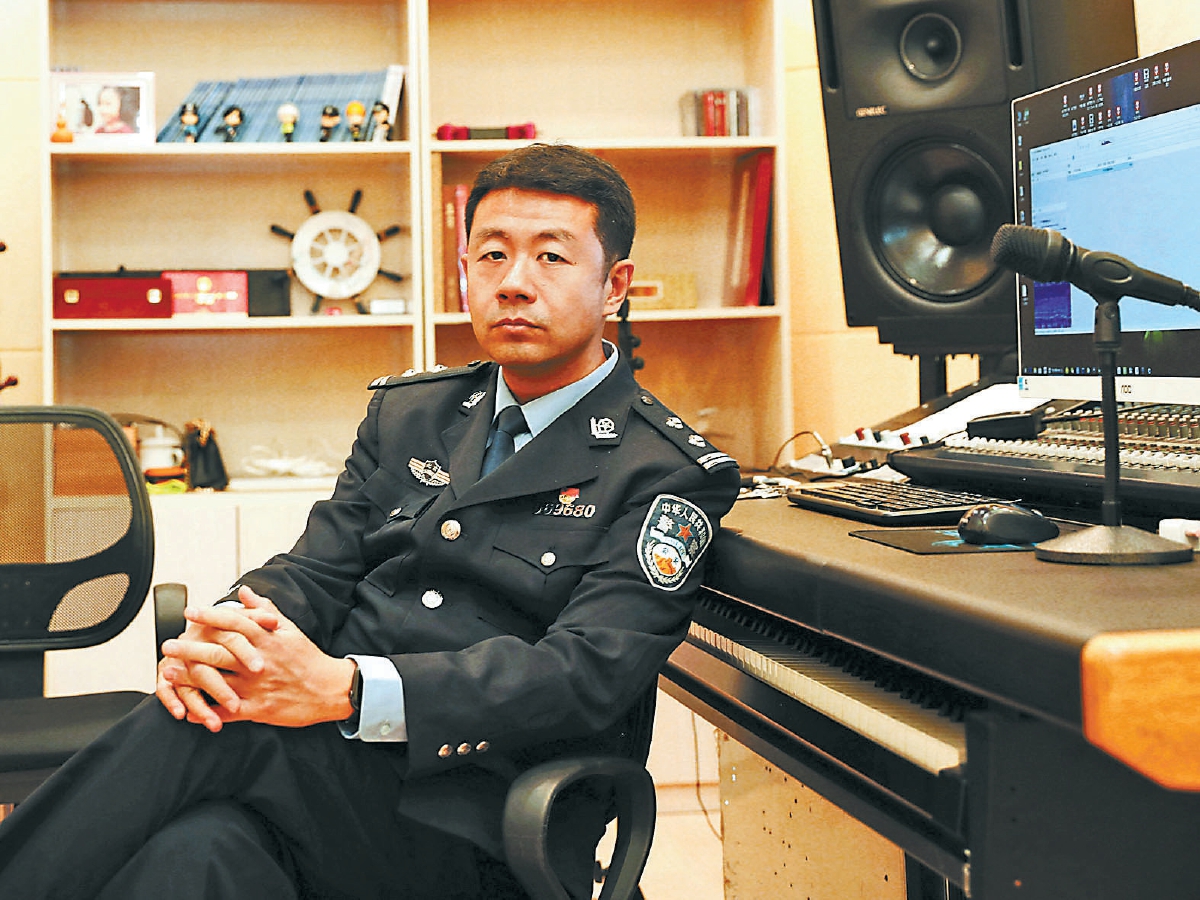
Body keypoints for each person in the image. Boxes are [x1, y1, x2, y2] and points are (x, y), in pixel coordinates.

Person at [0, 143, 740, 899]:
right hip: (327, 774)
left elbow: (586, 675)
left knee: (203, 730)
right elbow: (314, 568)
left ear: (615, 286)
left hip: (478, 813)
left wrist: (347, 689)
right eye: (492, 255)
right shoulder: (413, 413)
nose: (514, 282)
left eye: (551, 257)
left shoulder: (665, 469)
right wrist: (232, 638)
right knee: (193, 852)